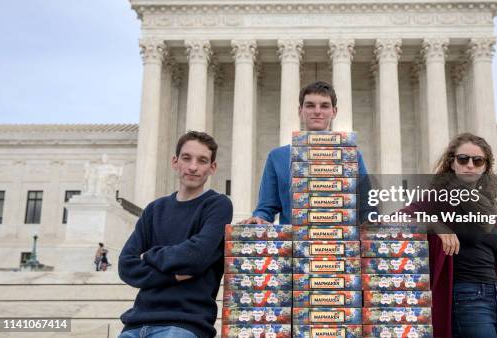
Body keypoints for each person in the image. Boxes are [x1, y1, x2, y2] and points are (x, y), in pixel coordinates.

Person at [397, 133, 497, 338]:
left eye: (478, 160)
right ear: (452, 163)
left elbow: (496, 263)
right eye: (463, 159)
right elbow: (393, 220)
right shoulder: (439, 197)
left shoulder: (490, 207)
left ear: (485, 167)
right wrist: (435, 225)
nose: (470, 165)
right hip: (466, 298)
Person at [118, 131, 233, 338]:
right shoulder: (154, 209)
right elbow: (126, 265)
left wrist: (150, 255)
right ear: (175, 161)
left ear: (212, 168)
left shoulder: (218, 206)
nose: (193, 167)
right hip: (135, 324)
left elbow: (195, 258)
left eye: (202, 160)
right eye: (186, 158)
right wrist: (174, 274)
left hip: (184, 324)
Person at [239, 81, 369, 225]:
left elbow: (367, 208)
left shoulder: (353, 156)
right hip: (294, 242)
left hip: (340, 242)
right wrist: (258, 218)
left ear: (334, 112)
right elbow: (266, 208)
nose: (317, 111)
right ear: (300, 111)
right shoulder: (277, 157)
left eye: (324, 106)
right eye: (310, 105)